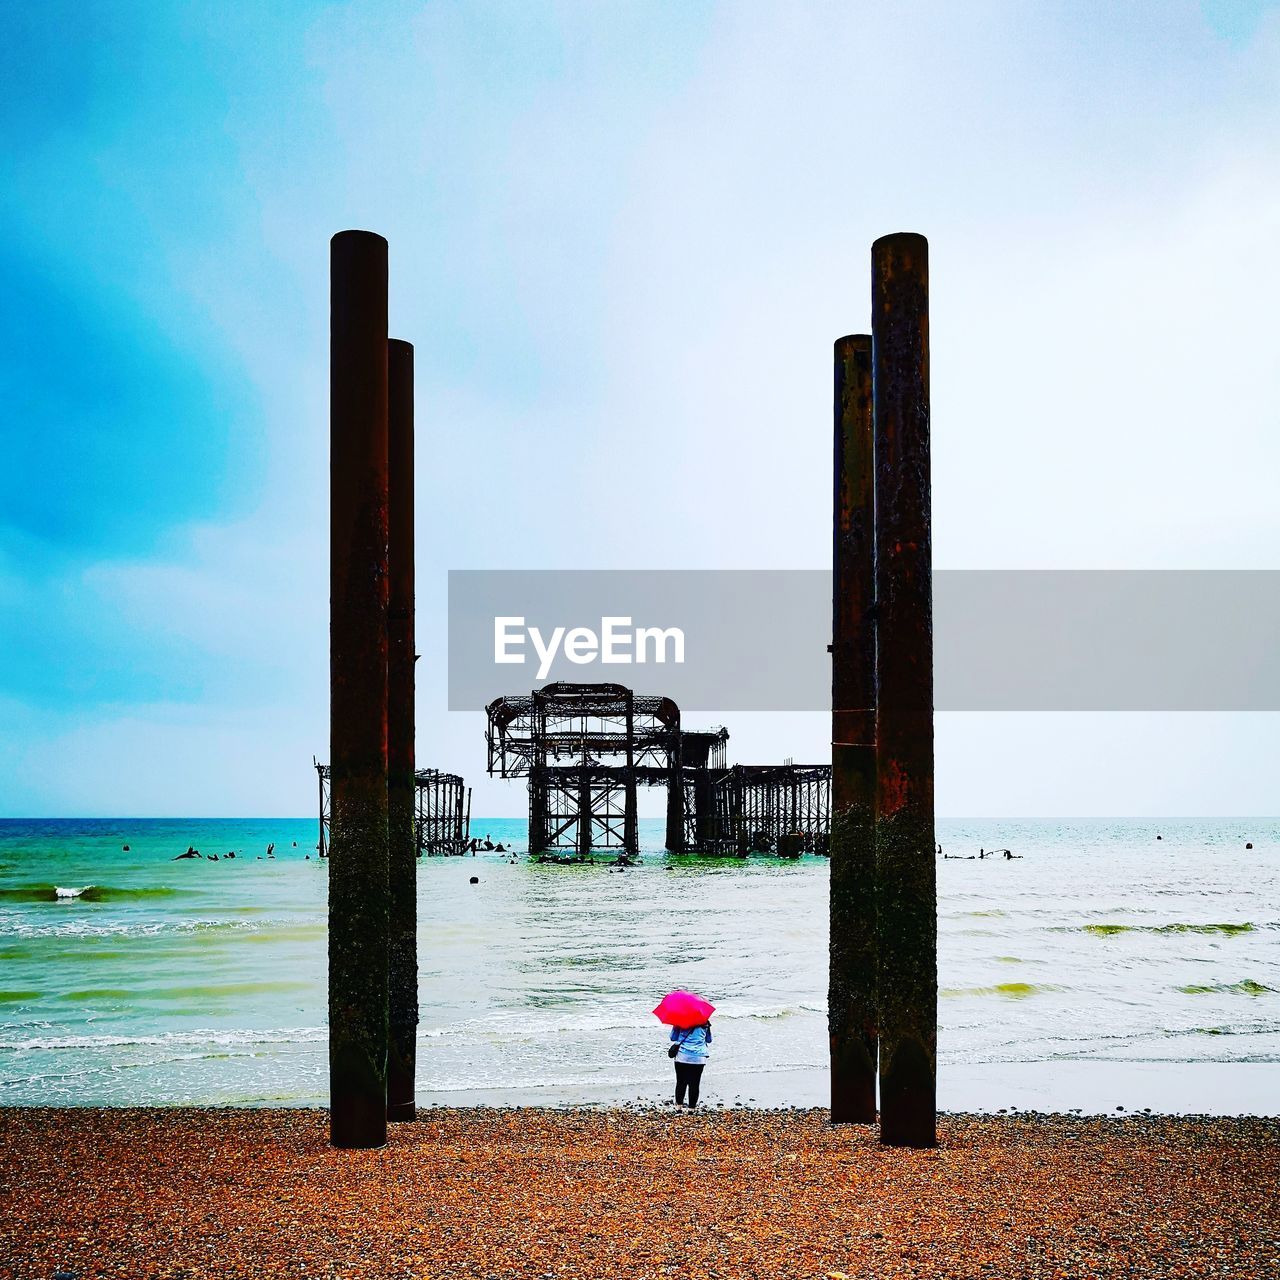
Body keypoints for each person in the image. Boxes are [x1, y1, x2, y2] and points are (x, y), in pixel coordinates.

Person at [670, 1020, 712, 1109]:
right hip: (699, 1058)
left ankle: (678, 1107)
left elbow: (673, 1038)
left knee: (681, 1082)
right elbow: (709, 1040)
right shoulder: (705, 1023)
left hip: (682, 1056)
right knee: (695, 1084)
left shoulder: (680, 1021)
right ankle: (691, 1109)